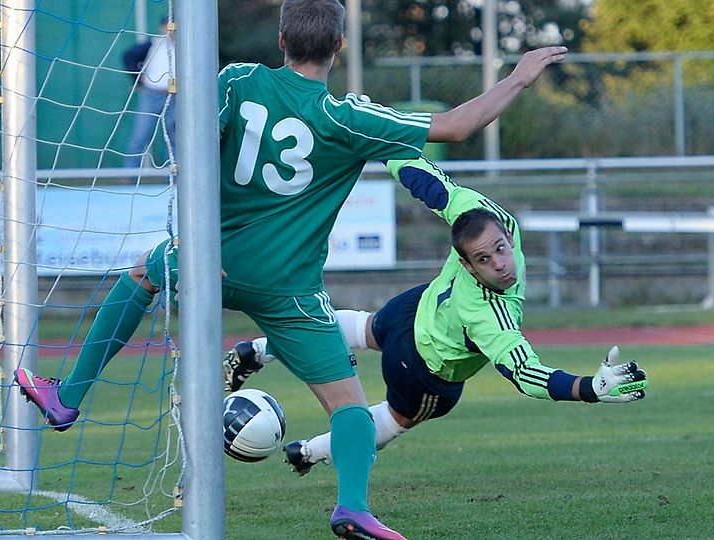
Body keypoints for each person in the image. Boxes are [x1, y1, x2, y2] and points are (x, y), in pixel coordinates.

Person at [15, 2, 567, 538]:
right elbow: (457, 125)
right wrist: (518, 77)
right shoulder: (349, 118)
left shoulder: (239, 80)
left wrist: (195, 244)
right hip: (290, 291)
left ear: (281, 40)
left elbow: (193, 151)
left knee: (142, 274)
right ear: (339, 45)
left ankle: (69, 396)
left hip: (213, 260)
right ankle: (352, 508)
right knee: (349, 407)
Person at [223, 156, 649, 476]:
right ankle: (309, 452)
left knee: (366, 328)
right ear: (467, 265)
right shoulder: (489, 317)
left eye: (501, 249)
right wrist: (588, 388)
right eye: (484, 260)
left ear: (506, 232)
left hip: (412, 308)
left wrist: (384, 145)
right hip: (424, 370)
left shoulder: (480, 215)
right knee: (397, 418)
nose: (500, 264)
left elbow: (430, 182)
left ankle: (257, 350)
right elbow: (527, 375)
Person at [122, 15, 175, 171]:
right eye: (167, 26)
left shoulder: (185, 47)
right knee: (140, 135)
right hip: (152, 94)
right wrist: (139, 78)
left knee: (174, 137)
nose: (171, 31)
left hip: (175, 96)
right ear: (163, 28)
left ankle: (174, 175)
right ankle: (130, 174)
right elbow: (128, 56)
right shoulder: (154, 44)